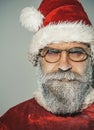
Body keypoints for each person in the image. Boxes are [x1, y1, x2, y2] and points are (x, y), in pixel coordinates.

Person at [0, 0, 94, 129]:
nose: (64, 65)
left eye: (77, 52)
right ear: (38, 60)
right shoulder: (10, 122)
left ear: (91, 59)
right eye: (52, 52)